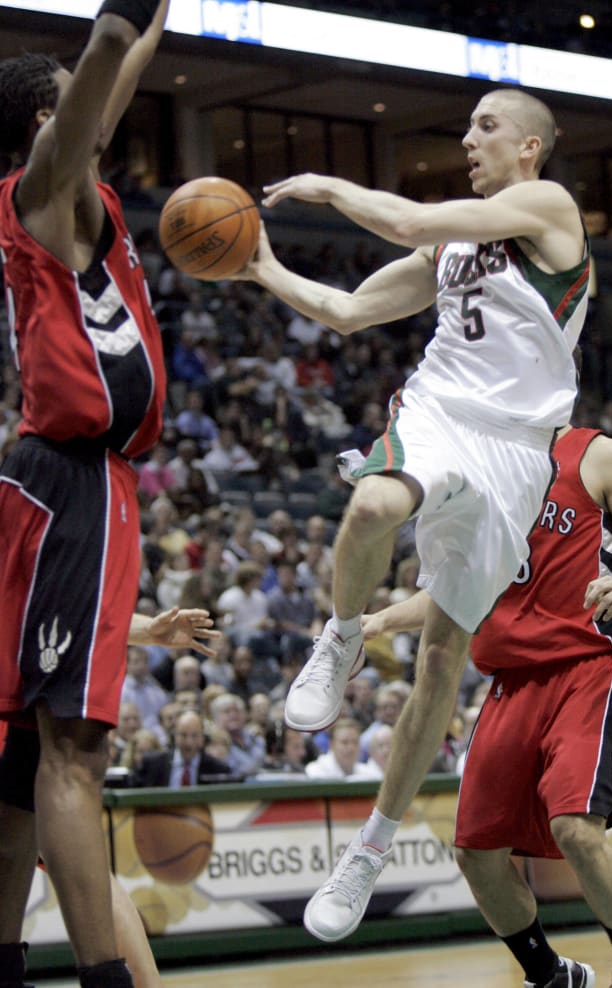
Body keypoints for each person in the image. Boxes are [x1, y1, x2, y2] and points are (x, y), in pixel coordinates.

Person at [236, 85, 589, 902]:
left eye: (487, 127)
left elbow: (408, 220)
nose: (470, 140)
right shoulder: (452, 255)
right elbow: (352, 312)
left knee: (441, 660)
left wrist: (329, 188)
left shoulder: (549, 205)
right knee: (371, 504)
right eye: (468, 128)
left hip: (517, 453)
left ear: (530, 148)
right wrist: (263, 267)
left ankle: (369, 849)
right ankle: (343, 632)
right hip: (439, 411)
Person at [311, 426, 612, 988]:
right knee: (476, 855)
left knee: (576, 830)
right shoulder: (479, 466)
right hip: (510, 679)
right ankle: (550, 975)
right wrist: (379, 620)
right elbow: (454, 590)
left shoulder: (598, 454)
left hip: (590, 665)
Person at [0, 4, 171, 986]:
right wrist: (122, 21)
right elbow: (107, 51)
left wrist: (157, 24)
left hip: (37, 478)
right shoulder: (48, 183)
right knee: (72, 748)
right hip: (74, 477)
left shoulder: (61, 189)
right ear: (42, 121)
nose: (96, 113)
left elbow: (120, 67)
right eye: (74, 107)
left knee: (22, 758)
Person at [0, 603, 218, 988]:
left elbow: (69, 610)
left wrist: (148, 629)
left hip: (20, 734)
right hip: (27, 732)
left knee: (87, 872)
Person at [133, 710, 231, 787]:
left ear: (202, 738)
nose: (189, 743)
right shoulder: (152, 764)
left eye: (194, 736)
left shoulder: (218, 770)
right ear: (175, 736)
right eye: (183, 735)